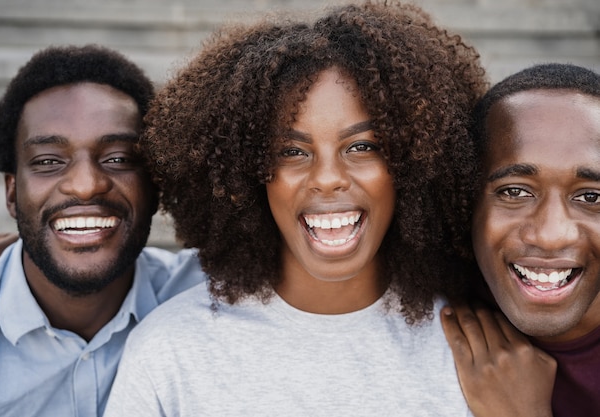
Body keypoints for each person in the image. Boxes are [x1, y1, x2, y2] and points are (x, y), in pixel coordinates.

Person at [104, 2, 488, 415]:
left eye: (362, 147)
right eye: (291, 151)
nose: (327, 177)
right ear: (245, 173)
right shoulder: (169, 352)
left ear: (416, 162)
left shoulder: (477, 355)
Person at [0, 44, 205, 417]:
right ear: (12, 193)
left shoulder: (207, 295)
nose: (85, 185)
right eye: (48, 161)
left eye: (118, 159)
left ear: (155, 187)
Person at [442, 63, 600, 417]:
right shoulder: (429, 311)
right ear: (465, 202)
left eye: (591, 198)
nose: (550, 235)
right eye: (515, 191)